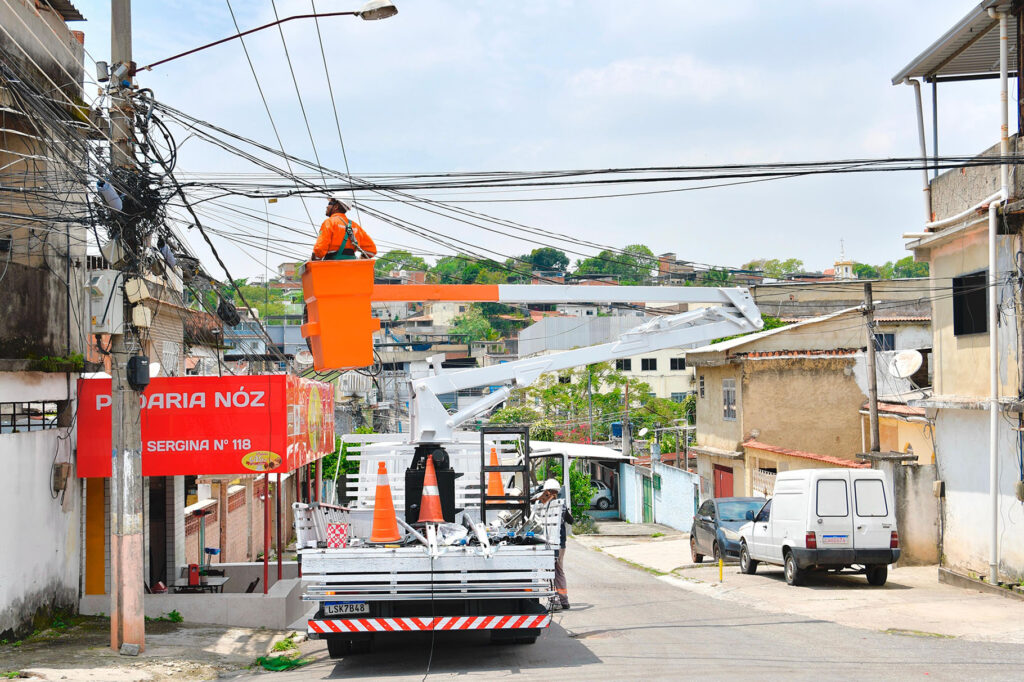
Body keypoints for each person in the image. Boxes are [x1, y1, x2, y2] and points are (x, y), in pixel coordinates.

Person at [536, 478, 574, 611]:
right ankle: (564, 600)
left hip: (548, 543)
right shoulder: (560, 505)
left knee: (548, 571)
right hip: (560, 544)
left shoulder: (542, 505)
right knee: (559, 571)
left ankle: (554, 600)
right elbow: (571, 520)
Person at [312, 196, 377, 261]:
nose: (327, 206)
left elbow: (319, 251)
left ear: (336, 207)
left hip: (332, 268)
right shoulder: (355, 226)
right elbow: (372, 250)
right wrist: (359, 261)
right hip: (352, 268)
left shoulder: (329, 223)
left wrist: (314, 261)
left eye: (329, 203)